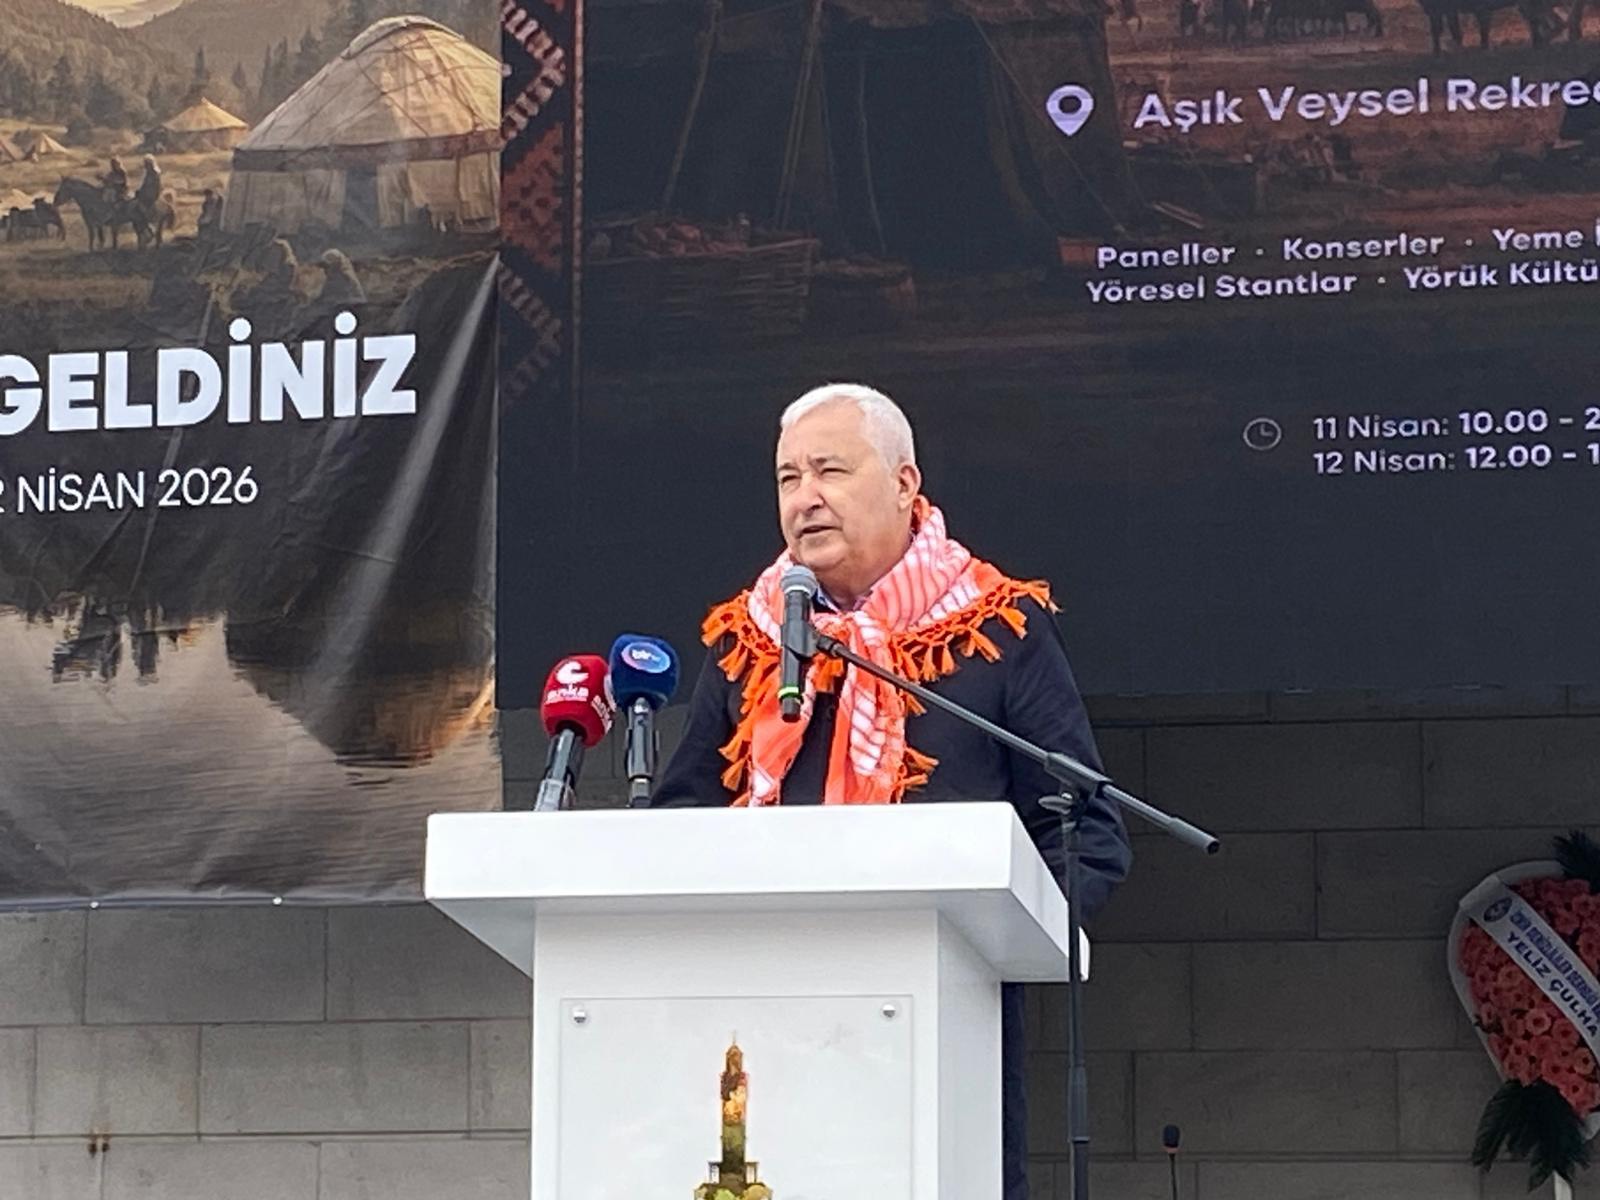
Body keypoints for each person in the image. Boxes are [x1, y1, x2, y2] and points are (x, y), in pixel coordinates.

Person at [651, 382, 1133, 1200]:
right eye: (788, 478)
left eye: (830, 471)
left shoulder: (994, 628)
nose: (805, 498)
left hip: (946, 1019)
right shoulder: (752, 638)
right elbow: (681, 817)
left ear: (905, 483)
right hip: (766, 1018)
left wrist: (996, 939)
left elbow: (1085, 833)